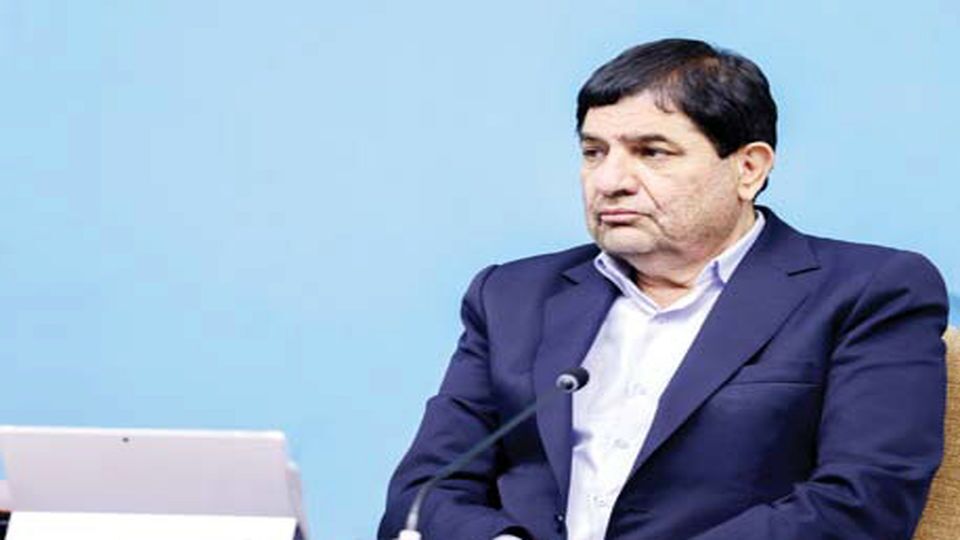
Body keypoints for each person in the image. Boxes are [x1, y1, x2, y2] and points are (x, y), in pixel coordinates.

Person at [377, 38, 948, 540]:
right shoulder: (512, 296)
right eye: (594, 152)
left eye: (651, 152)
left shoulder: (867, 291)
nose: (609, 181)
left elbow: (862, 504)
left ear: (748, 168)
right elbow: (425, 493)